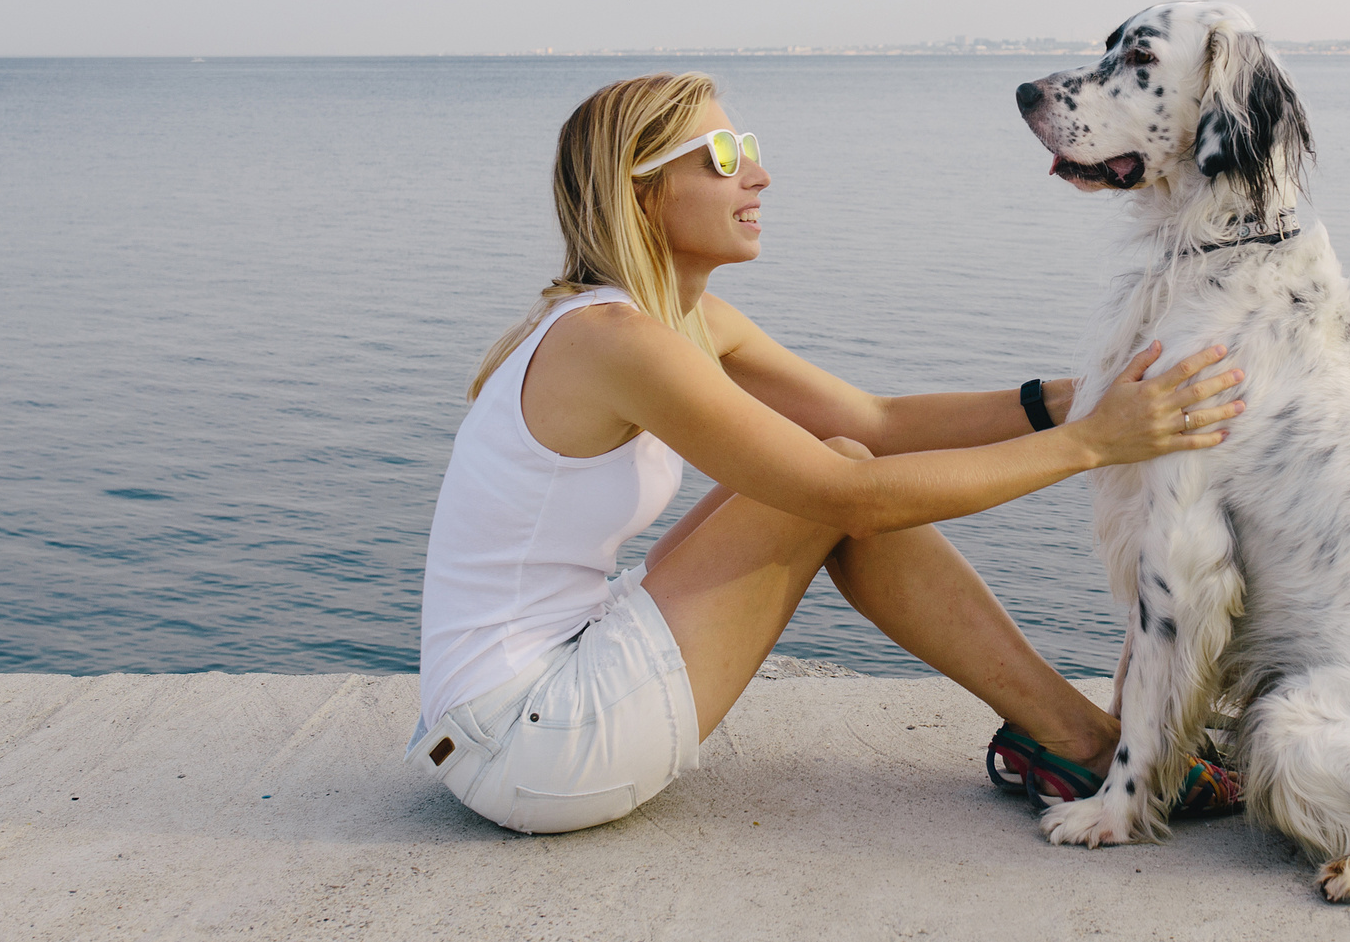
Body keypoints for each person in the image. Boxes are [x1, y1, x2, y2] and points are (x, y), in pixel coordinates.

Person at [411, 70, 1246, 835]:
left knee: (843, 450)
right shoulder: (614, 340)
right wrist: (1094, 443)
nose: (759, 177)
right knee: (835, 482)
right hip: (526, 740)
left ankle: (1073, 741)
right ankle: (1087, 747)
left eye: (753, 152)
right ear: (643, 189)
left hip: (521, 702)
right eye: (725, 156)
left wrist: (1077, 397)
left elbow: (876, 420)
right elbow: (852, 496)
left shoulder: (672, 322)